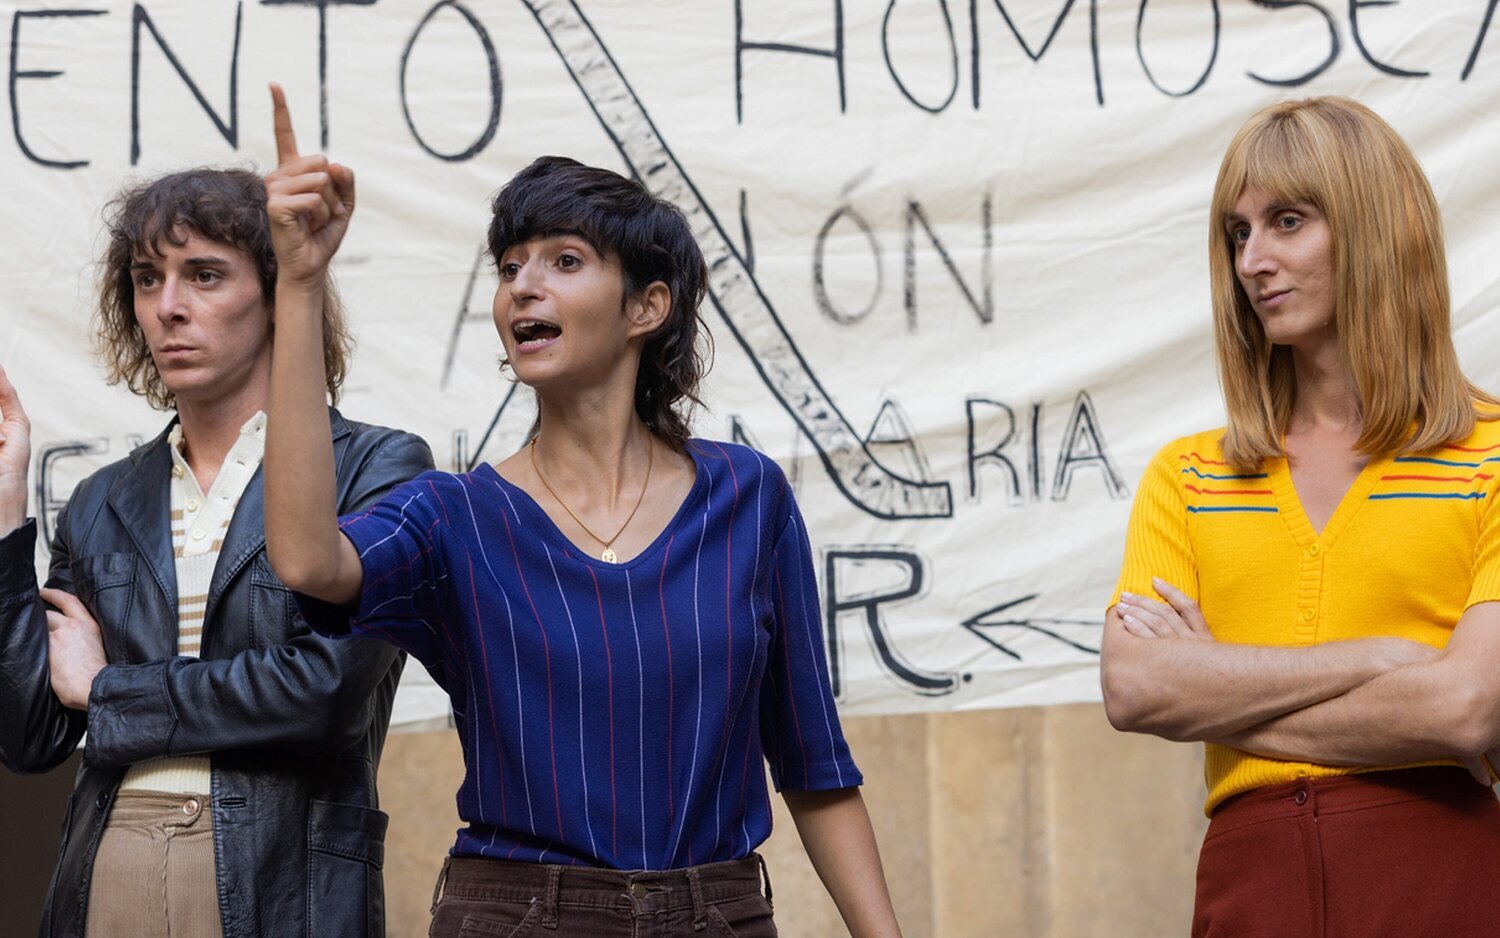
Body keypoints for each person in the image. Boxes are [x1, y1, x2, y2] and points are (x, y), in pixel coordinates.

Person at [261, 87, 904, 937]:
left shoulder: (750, 499)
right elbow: (309, 562)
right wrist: (301, 286)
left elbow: (815, 767)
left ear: (648, 306)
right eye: (509, 266)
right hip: (519, 913)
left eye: (564, 261)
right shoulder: (455, 515)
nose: (524, 286)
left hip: (717, 915)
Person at [1100, 95, 1500, 937]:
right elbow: (1136, 687)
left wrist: (1217, 685)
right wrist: (1385, 660)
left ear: (1376, 229)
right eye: (1238, 233)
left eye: (1287, 221)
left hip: (1444, 878)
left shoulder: (1493, 458)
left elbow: (1468, 709)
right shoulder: (1189, 474)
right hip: (1249, 888)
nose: (1253, 260)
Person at [0, 167, 433, 937]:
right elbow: (29, 736)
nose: (168, 307)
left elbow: (323, 694)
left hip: (285, 879)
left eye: (204, 275)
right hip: (107, 868)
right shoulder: (103, 497)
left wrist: (108, 691)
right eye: (146, 279)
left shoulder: (377, 467)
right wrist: (4, 517)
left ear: (276, 295)